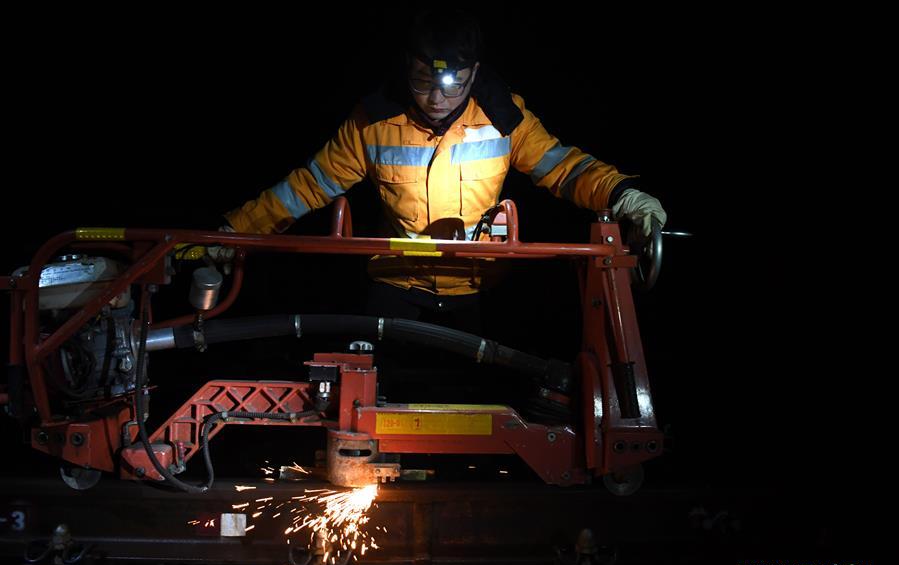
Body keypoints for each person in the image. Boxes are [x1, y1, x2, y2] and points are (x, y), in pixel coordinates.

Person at [218, 10, 666, 334]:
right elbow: (307, 186)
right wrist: (232, 234)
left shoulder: (504, 117)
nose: (436, 98)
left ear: (474, 72)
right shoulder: (372, 122)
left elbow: (564, 168)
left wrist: (623, 195)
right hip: (396, 282)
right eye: (421, 80)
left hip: (480, 285)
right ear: (406, 68)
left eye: (452, 84)